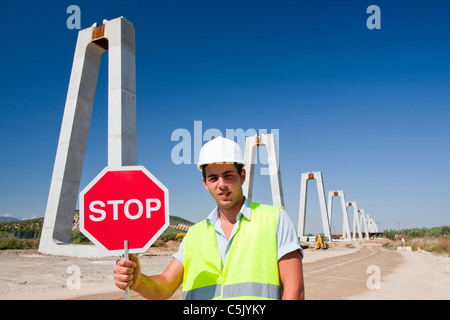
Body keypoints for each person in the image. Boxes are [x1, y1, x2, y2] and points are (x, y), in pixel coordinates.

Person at [114, 136, 304, 300]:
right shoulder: (194, 235)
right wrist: (137, 280)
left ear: (242, 176)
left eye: (228, 176)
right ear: (205, 183)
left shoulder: (274, 219)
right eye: (213, 178)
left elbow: (294, 290)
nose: (221, 185)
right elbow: (165, 285)